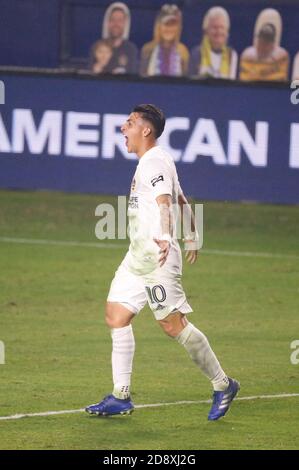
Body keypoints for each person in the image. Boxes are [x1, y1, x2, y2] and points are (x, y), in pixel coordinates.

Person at [85, 104, 240, 421]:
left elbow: (165, 201)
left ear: (145, 129)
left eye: (129, 123)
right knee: (116, 314)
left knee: (172, 325)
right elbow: (181, 197)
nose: (122, 128)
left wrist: (168, 237)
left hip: (157, 256)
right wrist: (194, 234)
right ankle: (120, 396)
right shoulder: (158, 159)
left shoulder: (153, 160)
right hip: (138, 256)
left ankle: (223, 384)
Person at [239, 8, 289, 82]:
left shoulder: (281, 58)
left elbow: (280, 81)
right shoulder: (247, 57)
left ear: (272, 44)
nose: (263, 45)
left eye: (266, 43)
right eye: (261, 41)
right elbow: (245, 80)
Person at [140, 4, 189, 77]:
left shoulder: (183, 51)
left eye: (173, 25)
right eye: (166, 24)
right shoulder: (147, 50)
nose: (169, 29)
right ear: (159, 26)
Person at [189, 7, 238, 79]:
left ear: (227, 31)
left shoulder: (232, 55)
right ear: (206, 31)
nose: (219, 31)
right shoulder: (197, 53)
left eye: (222, 27)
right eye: (214, 27)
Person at [99, 2, 138, 74]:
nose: (116, 24)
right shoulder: (97, 47)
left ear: (125, 24)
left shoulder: (131, 50)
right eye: (113, 20)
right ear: (107, 22)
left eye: (120, 20)